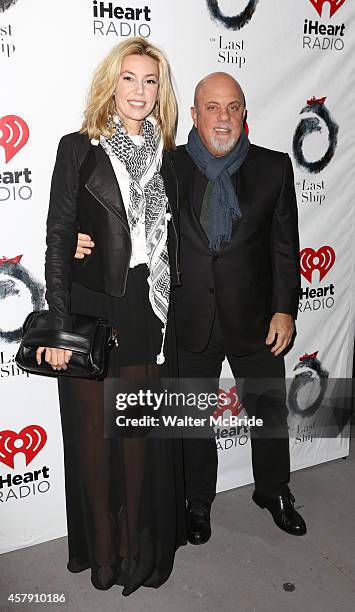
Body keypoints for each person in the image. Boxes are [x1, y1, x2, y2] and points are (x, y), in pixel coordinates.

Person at [75, 71, 307, 546]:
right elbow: (123, 216)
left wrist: (285, 309)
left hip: (256, 319)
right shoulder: (167, 166)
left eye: (233, 107)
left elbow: (285, 248)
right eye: (212, 108)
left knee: (268, 411)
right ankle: (197, 498)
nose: (223, 118)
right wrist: (81, 239)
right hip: (188, 318)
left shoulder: (275, 168)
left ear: (245, 115)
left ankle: (274, 490)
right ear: (195, 116)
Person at [36, 37, 186, 596]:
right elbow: (57, 237)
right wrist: (59, 321)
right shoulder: (78, 149)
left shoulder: (170, 159)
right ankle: (103, 552)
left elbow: (176, 238)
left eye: (151, 81)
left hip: (147, 309)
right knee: (95, 435)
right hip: (92, 305)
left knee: (139, 439)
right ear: (111, 83)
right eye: (129, 79)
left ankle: (138, 551)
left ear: (160, 91)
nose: (140, 92)